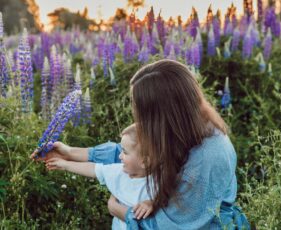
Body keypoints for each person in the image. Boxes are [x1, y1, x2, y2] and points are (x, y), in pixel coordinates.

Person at [32, 59, 250, 229]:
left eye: (142, 112)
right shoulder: (184, 129)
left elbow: (169, 227)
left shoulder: (208, 157)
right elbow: (135, 153)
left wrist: (119, 210)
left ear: (164, 114)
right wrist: (69, 152)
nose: (138, 119)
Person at [44, 125, 154, 230]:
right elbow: (94, 169)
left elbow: (166, 200)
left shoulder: (160, 182)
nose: (120, 156)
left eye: (125, 152)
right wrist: (65, 164)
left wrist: (152, 203)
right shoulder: (119, 171)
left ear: (144, 162)